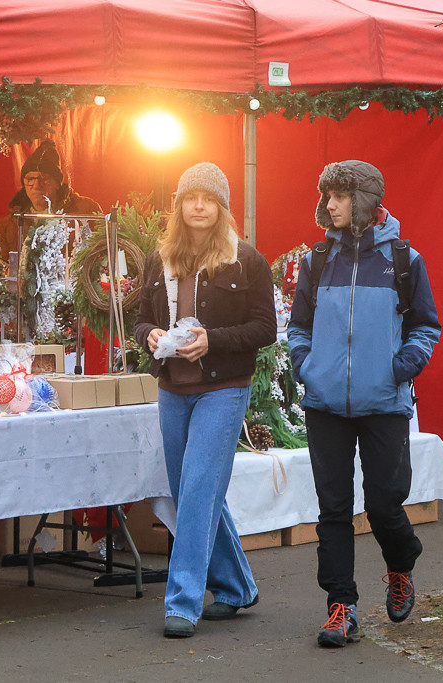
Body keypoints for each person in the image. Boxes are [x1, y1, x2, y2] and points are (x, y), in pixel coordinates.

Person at [287, 160, 440, 648]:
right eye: (326, 195)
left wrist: (402, 366)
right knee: (333, 508)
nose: (329, 204)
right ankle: (341, 606)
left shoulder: (403, 259)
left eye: (339, 195)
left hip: (385, 402)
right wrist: (307, 364)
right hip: (325, 404)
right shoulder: (315, 261)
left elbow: (426, 326)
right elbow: (298, 327)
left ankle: (401, 563)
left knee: (383, 505)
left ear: (366, 200)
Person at [134, 162, 276, 638]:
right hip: (172, 390)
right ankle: (237, 587)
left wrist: (211, 340)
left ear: (221, 209)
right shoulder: (160, 258)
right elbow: (138, 319)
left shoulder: (247, 261)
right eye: (191, 198)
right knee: (193, 491)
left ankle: (182, 602)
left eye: (209, 199)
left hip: (223, 389)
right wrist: (149, 334)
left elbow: (265, 329)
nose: (199, 206)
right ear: (179, 205)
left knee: (196, 490)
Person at [0, 139, 102, 259]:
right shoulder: (9, 224)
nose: (36, 186)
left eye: (43, 178)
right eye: (30, 179)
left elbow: (103, 253)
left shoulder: (86, 211)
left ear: (57, 183)